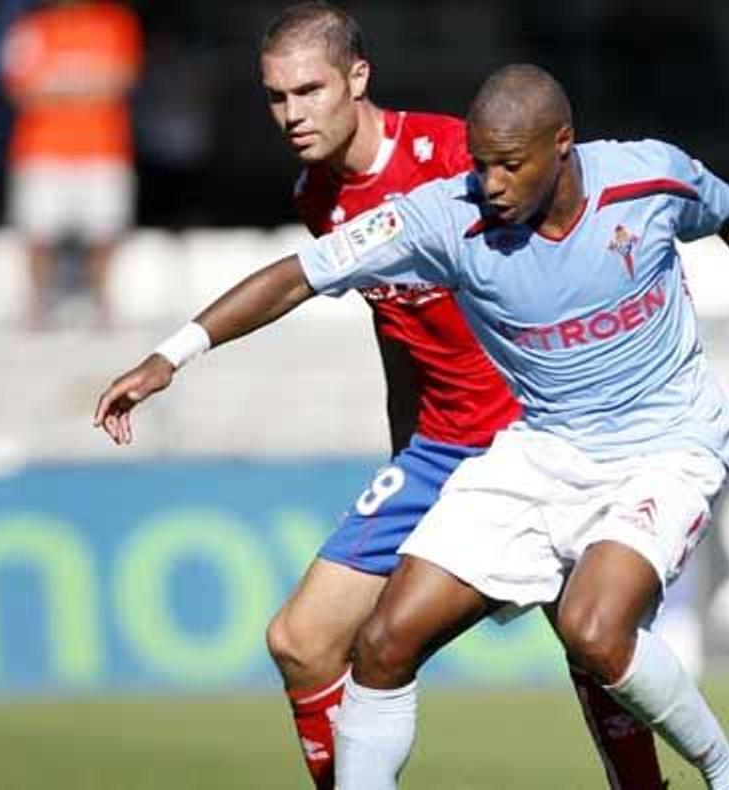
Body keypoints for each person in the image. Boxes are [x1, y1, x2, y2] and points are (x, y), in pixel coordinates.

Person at [94, 64, 729, 789]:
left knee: (597, 633)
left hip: (665, 448)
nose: (488, 182)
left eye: (508, 165)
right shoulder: (443, 217)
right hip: (540, 449)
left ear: (564, 145)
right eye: (480, 162)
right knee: (384, 643)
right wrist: (172, 356)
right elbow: (298, 277)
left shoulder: (647, 179)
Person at [254, 4, 665, 788]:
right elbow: (394, 324)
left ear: (358, 78)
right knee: (301, 641)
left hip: (534, 435)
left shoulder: (458, 155)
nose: (292, 114)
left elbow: (564, 257)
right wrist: (403, 443)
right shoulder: (318, 195)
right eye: (276, 98)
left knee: (592, 643)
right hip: (441, 447)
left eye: (308, 91)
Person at [0, 0, 142, 328]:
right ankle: (37, 307)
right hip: (41, 149)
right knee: (36, 231)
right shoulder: (32, 28)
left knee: (105, 231)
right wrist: (84, 86)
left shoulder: (116, 22)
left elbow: (118, 81)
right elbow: (22, 90)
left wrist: (58, 86)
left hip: (103, 148)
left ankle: (103, 304)